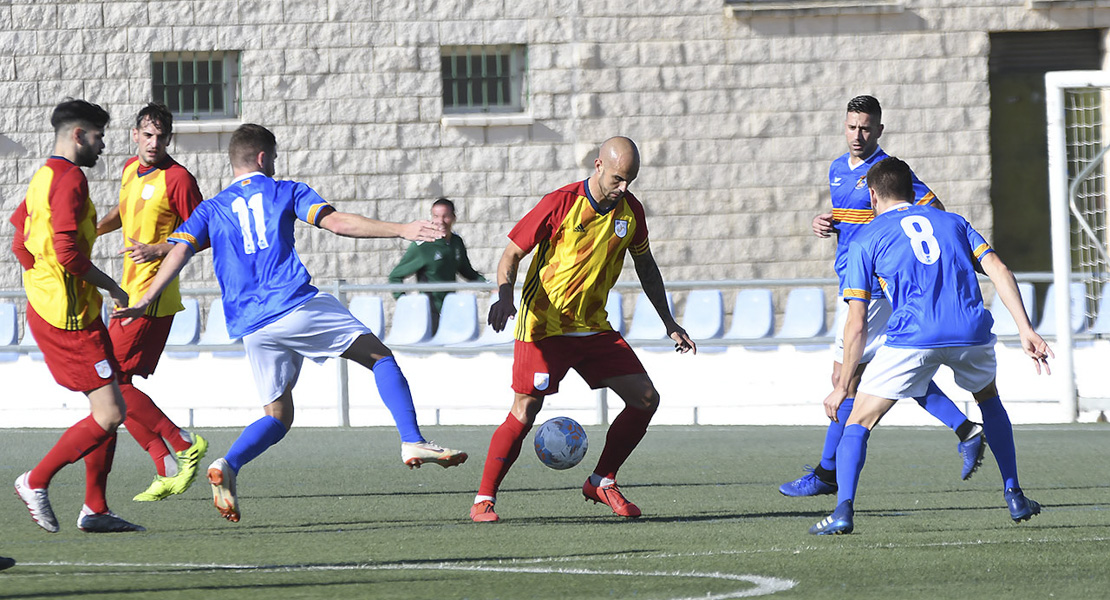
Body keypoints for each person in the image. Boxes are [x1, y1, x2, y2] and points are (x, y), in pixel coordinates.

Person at [114, 124, 467, 523]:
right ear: (264, 158)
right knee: (380, 358)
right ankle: (412, 440)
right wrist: (402, 230)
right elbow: (338, 223)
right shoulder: (286, 190)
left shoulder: (211, 208)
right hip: (293, 304)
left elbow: (178, 252)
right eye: (275, 158)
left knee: (277, 415)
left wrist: (145, 301)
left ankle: (228, 464)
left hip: (252, 326)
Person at [810, 156, 1049, 535]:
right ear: (912, 191)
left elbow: (856, 321)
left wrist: (842, 387)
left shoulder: (867, 237)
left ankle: (843, 511)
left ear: (872, 196)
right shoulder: (955, 222)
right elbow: (1000, 270)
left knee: (859, 421)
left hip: (912, 339)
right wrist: (1026, 329)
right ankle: (1015, 495)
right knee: (988, 399)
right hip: (970, 332)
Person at [470, 136, 696, 523]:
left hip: (592, 326)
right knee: (525, 410)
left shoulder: (630, 212)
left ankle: (602, 480)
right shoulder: (560, 202)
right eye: (617, 179)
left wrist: (668, 321)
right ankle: (484, 499)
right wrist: (505, 296)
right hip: (543, 326)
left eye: (630, 181)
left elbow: (646, 266)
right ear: (597, 166)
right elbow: (511, 254)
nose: (623, 188)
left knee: (645, 398)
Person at [780, 95, 985, 497]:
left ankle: (827, 474)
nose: (858, 135)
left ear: (879, 130)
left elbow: (933, 211)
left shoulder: (889, 172)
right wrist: (830, 222)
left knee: (846, 378)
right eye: (852, 126)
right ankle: (966, 428)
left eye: (866, 128)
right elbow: (857, 218)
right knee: (896, 372)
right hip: (855, 282)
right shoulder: (838, 169)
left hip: (875, 290)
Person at [10, 99, 144, 533]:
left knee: (112, 403)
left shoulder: (43, 175)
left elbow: (20, 239)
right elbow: (66, 253)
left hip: (70, 311)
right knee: (109, 414)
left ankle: (95, 508)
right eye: (99, 135)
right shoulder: (68, 179)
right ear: (78, 135)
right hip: (68, 319)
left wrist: (44, 281)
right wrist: (111, 285)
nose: (103, 144)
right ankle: (35, 480)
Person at [95, 102, 208, 502]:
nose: (154, 143)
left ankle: (180, 445)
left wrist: (160, 249)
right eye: (147, 135)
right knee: (113, 383)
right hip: (128, 293)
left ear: (169, 138)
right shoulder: (129, 169)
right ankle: (164, 465)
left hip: (153, 298)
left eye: (161, 136)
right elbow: (123, 213)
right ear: (135, 135)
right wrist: (90, 231)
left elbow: (204, 232)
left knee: (110, 381)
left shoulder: (178, 178)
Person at [388, 197, 486, 333]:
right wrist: (406, 304)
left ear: (453, 218)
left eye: (445, 216)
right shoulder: (423, 245)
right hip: (429, 313)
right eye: (436, 216)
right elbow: (395, 277)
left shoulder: (456, 242)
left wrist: (490, 286)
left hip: (451, 310)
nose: (440, 221)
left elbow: (467, 272)